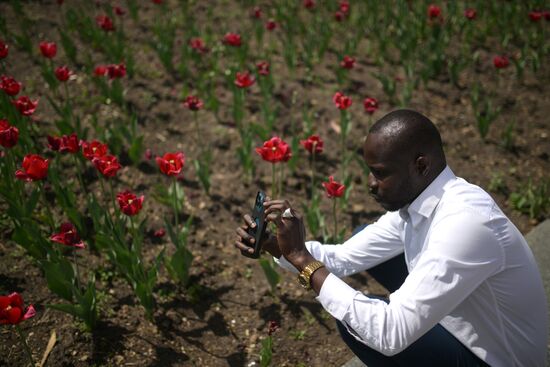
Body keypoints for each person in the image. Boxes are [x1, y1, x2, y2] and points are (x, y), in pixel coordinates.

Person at [234, 109, 548, 366]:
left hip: (500, 361)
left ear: (420, 165)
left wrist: (305, 262)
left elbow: (389, 333)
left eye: (381, 173)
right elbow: (343, 259)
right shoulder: (419, 204)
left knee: (359, 325)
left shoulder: (467, 224)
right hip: (463, 329)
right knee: (362, 263)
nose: (370, 183)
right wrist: (279, 247)